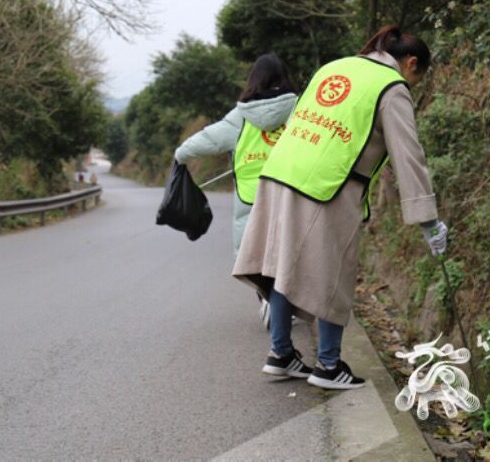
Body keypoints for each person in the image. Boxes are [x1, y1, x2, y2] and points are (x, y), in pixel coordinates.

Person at [232, 26, 448, 389]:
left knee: (284, 264)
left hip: (279, 173)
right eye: (417, 75)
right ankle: (329, 366)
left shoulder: (335, 67)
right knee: (333, 273)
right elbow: (408, 157)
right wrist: (429, 222)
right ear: (411, 63)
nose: (414, 82)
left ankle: (281, 353)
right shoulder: (391, 88)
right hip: (326, 186)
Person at [174, 53, 298, 329]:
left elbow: (209, 138)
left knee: (257, 254)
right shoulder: (300, 110)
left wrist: (181, 154)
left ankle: (267, 299)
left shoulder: (240, 116)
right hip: (293, 195)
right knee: (289, 250)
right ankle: (283, 304)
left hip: (251, 199)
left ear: (254, 80)